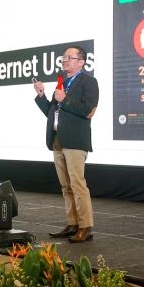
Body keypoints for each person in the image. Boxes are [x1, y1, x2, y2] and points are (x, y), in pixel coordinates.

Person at [34, 46, 98, 243]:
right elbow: (51, 112)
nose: (65, 60)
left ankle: (85, 227)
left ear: (81, 62)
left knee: (77, 184)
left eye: (70, 57)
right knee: (66, 186)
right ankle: (72, 224)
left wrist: (65, 99)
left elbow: (88, 110)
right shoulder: (62, 82)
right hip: (57, 140)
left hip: (75, 140)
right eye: (64, 57)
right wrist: (42, 96)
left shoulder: (88, 81)